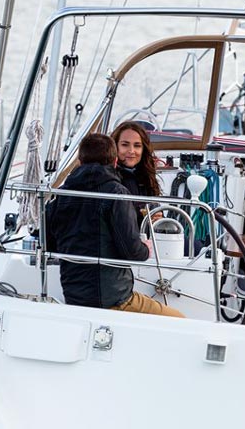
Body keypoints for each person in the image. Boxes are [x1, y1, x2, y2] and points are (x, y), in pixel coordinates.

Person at [46, 133, 184, 318]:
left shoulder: (59, 195)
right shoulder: (117, 194)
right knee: (179, 320)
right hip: (114, 299)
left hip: (75, 297)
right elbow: (132, 252)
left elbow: (49, 244)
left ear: (79, 161)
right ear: (115, 161)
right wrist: (145, 248)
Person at [111, 121, 162, 224]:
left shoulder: (146, 176)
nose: (131, 151)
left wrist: (158, 216)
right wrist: (143, 216)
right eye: (125, 145)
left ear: (143, 149)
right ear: (114, 147)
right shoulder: (108, 177)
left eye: (137, 146)